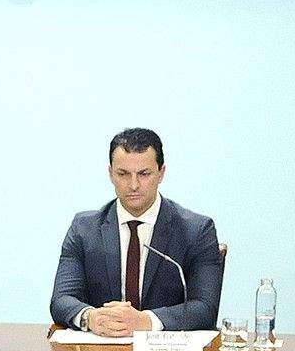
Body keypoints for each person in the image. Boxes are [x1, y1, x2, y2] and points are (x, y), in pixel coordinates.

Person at [51, 128, 223, 334]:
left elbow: (205, 309)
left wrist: (144, 321)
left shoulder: (196, 231)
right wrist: (91, 317)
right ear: (110, 174)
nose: (133, 185)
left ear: (161, 173)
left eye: (144, 174)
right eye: (123, 174)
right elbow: (61, 300)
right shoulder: (84, 229)